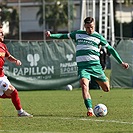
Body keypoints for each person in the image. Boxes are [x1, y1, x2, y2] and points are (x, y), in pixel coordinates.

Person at [45, 17, 129, 116]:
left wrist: (121, 62)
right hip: (83, 67)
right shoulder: (78, 34)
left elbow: (111, 49)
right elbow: (64, 35)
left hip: (96, 67)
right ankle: (89, 109)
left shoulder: (98, 37)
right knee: (84, 85)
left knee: (106, 89)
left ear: (94, 26)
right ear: (85, 26)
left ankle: (102, 78)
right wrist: (51, 35)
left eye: (92, 27)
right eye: (88, 27)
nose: (90, 29)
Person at [0, 25, 33, 117]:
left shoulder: (3, 46)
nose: (3, 34)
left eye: (3, 32)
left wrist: (15, 60)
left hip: (1, 76)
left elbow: (8, 57)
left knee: (12, 94)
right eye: (0, 33)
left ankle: (20, 112)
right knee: (13, 91)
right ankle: (20, 112)